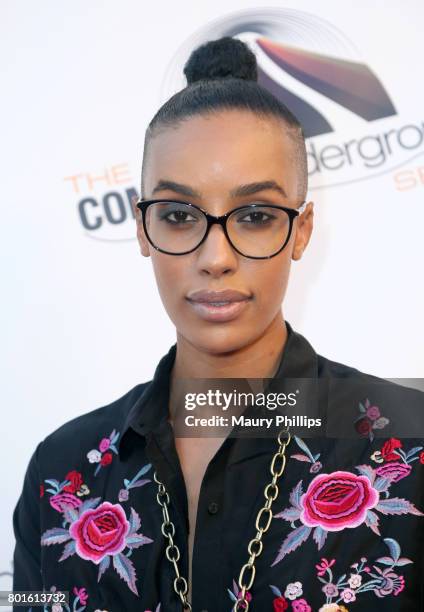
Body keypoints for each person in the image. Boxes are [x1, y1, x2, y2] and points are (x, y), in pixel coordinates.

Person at [12, 37, 424, 612]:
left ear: (301, 231)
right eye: (179, 216)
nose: (215, 256)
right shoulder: (62, 474)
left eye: (255, 216)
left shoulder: (408, 450)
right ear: (141, 227)